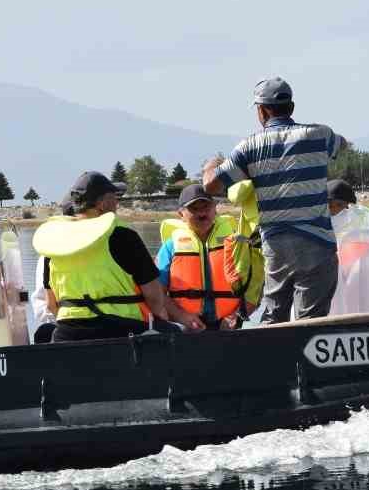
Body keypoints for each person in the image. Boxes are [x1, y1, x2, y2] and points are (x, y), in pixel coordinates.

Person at [203, 78, 344, 323]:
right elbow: (342, 145)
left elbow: (211, 185)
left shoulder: (249, 146)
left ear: (263, 110)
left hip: (277, 247)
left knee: (274, 318)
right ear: (291, 107)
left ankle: (270, 359)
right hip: (317, 244)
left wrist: (211, 166)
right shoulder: (320, 134)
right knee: (311, 322)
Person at [33, 171, 204, 342]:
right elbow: (154, 296)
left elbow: (51, 304)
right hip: (122, 331)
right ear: (102, 204)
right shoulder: (123, 235)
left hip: (68, 334)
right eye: (114, 198)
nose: (117, 203)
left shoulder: (54, 241)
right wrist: (161, 316)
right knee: (180, 333)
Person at [155, 183, 250, 329]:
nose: (201, 213)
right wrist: (181, 316)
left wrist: (237, 315)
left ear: (215, 209)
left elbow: (255, 283)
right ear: (181, 214)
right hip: (186, 327)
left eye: (206, 207)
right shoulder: (170, 247)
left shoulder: (236, 241)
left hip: (229, 324)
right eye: (194, 209)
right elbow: (156, 293)